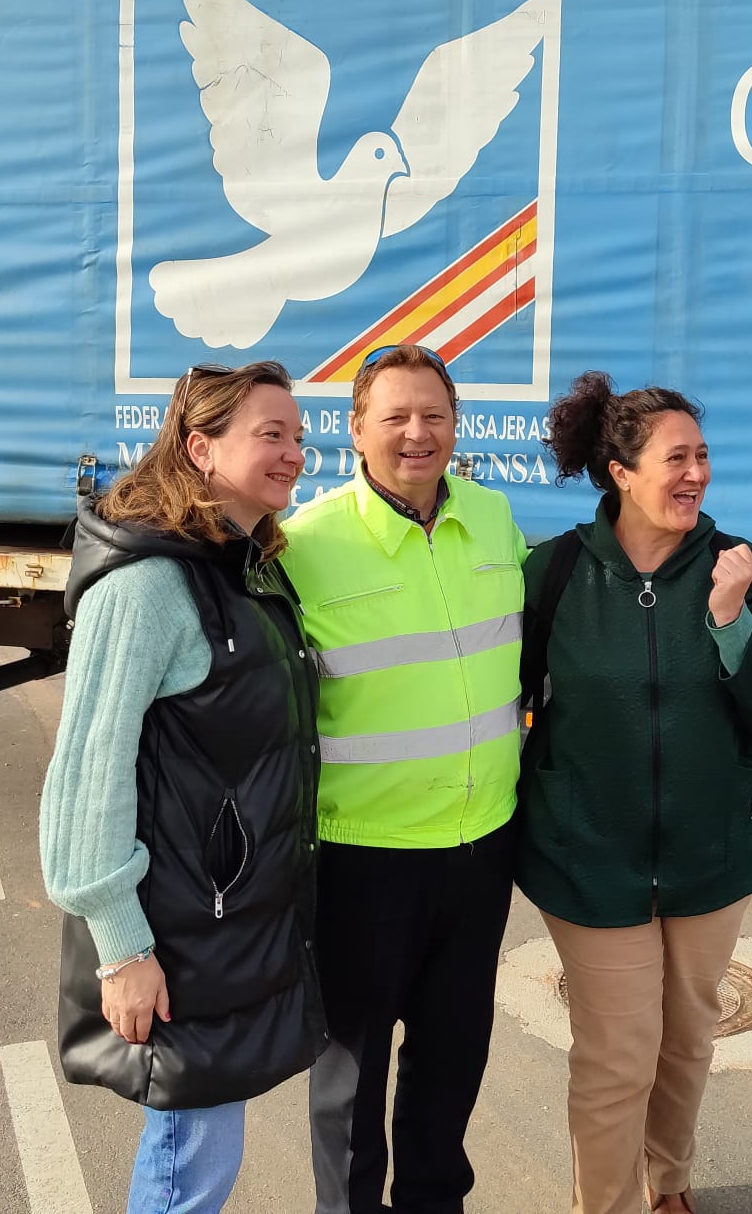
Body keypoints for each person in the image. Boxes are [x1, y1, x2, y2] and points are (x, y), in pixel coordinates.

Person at [517, 371, 752, 1214]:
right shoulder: (557, 572)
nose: (696, 474)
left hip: (711, 856)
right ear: (621, 472)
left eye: (704, 457)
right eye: (676, 458)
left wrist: (730, 621)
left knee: (686, 1043)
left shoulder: (739, 570)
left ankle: (667, 1184)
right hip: (590, 862)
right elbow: (505, 697)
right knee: (616, 1056)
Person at [39, 360, 325, 1214]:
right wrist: (121, 947)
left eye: (299, 437)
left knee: (203, 1149)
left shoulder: (242, 567)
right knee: (189, 1162)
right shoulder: (148, 586)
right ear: (200, 448)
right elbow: (89, 771)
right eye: (270, 434)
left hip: (223, 920)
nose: (293, 454)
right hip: (176, 930)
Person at [280, 344, 527, 1214]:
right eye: (395, 417)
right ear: (355, 432)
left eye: (434, 416)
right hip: (362, 860)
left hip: (479, 847)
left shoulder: (496, 522)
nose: (417, 434)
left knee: (453, 1061)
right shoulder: (304, 546)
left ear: (457, 426)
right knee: (348, 1081)